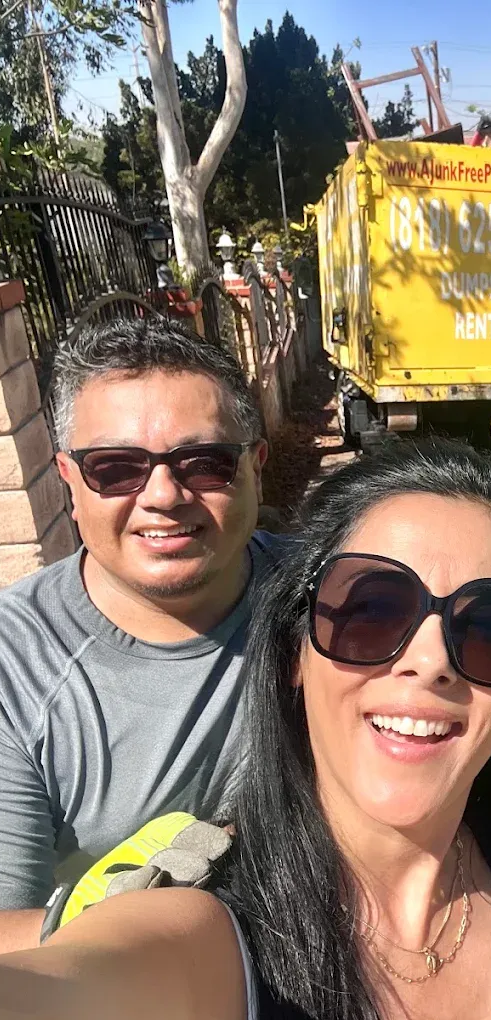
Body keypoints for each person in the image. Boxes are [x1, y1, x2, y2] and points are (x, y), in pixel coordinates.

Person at [0, 441, 491, 1020]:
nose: (430, 661)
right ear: (294, 655)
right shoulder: (207, 938)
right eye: (371, 608)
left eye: (489, 627)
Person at [0, 318, 276, 951]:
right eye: (116, 467)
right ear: (70, 481)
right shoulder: (15, 668)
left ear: (254, 467)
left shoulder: (334, 600)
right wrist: (107, 922)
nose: (163, 495)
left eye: (204, 462)